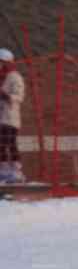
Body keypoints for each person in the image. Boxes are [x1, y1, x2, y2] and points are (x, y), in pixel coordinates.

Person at [0, 48, 26, 184]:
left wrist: (6, 96)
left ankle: (16, 172)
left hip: (10, 117)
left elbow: (19, 97)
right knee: (1, 145)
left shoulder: (15, 77)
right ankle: (3, 171)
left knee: (10, 143)